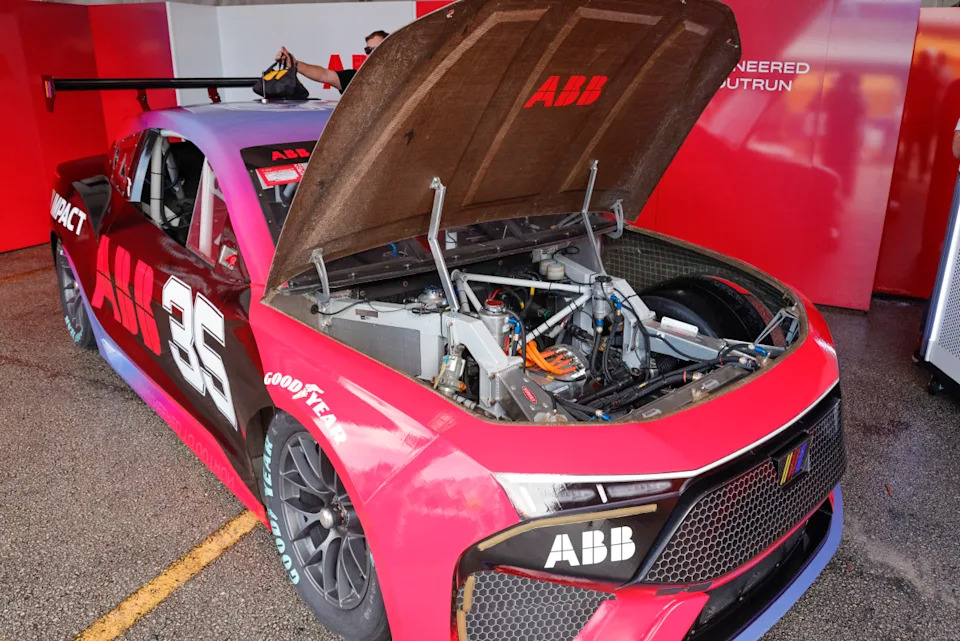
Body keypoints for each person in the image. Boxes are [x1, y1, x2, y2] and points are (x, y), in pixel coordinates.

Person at [276, 30, 389, 94]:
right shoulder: (355, 79)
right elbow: (324, 75)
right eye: (368, 50)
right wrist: (295, 64)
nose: (372, 53)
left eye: (378, 48)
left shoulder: (404, 78)